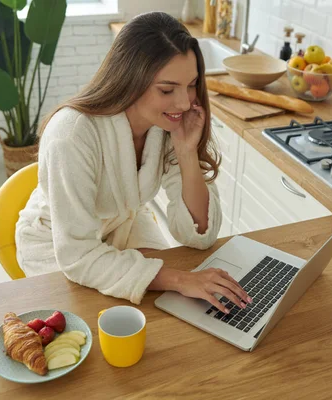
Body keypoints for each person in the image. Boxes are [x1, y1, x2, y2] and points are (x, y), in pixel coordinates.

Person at [15, 12, 251, 314]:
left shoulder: (168, 123)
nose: (183, 103)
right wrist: (178, 279)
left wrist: (186, 151)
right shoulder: (71, 134)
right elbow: (79, 256)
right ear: (130, 79)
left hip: (123, 226)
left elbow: (199, 234)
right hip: (59, 243)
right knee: (110, 319)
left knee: (173, 310)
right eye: (167, 90)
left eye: (191, 84)